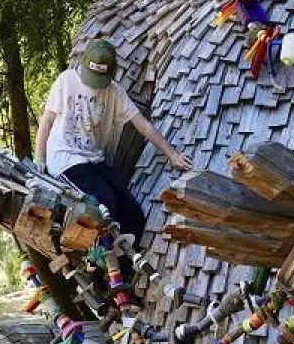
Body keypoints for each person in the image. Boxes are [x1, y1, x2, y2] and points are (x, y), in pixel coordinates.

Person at [34, 38, 192, 240]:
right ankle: (102, 252)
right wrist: (40, 159)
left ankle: (126, 257)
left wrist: (173, 155)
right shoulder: (66, 80)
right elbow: (46, 121)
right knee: (103, 202)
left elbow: (143, 125)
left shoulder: (114, 92)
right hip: (65, 160)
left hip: (94, 160)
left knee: (133, 215)